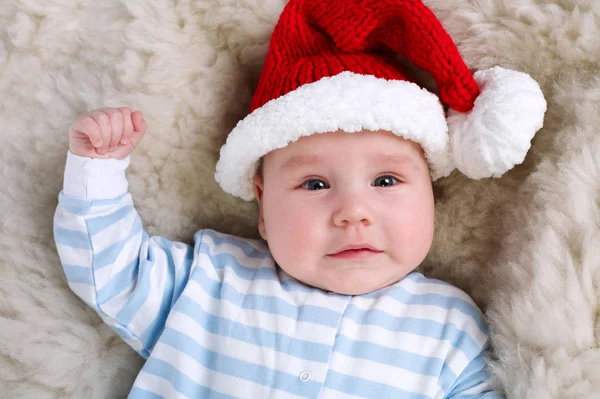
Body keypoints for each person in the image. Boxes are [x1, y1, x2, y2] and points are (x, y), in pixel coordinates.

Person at [53, 0, 546, 397]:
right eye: (315, 185)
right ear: (263, 208)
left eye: (387, 181)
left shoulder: (447, 326)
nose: (353, 212)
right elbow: (110, 270)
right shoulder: (209, 280)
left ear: (433, 196)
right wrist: (98, 169)